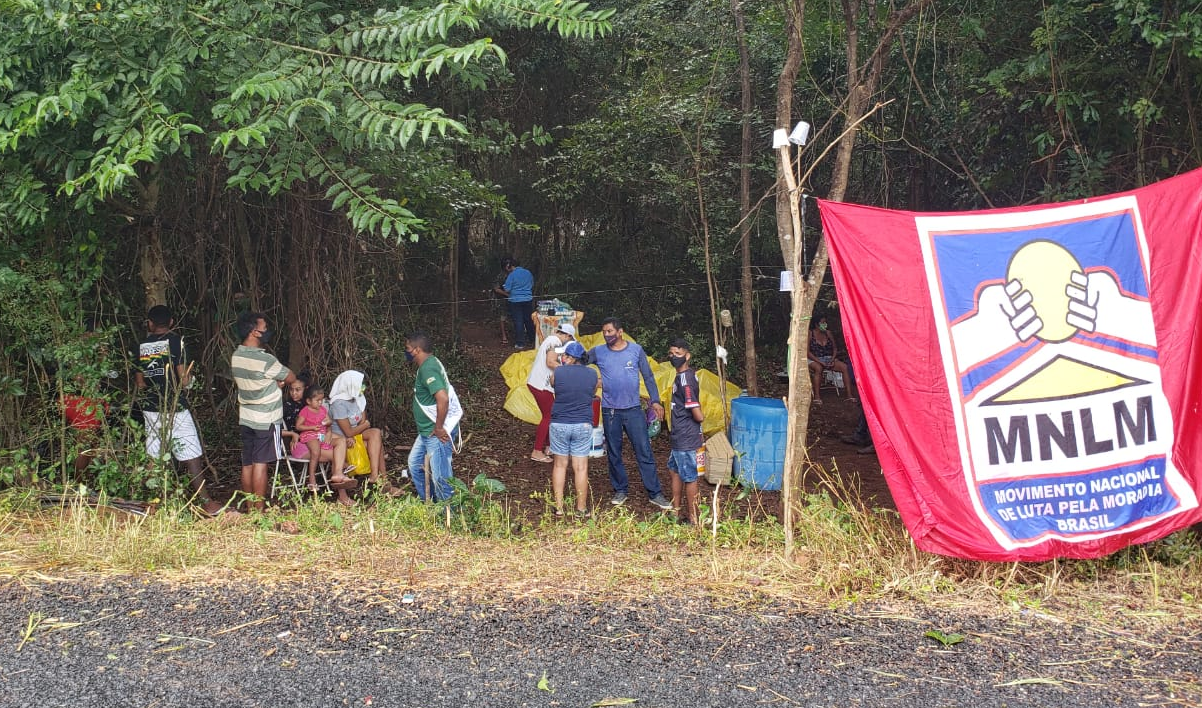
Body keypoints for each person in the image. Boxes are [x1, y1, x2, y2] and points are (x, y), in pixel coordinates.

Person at [135, 305, 222, 516]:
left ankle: (154, 502)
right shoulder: (176, 342)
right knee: (191, 453)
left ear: (150, 323)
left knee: (154, 454)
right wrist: (190, 383)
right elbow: (184, 379)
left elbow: (140, 383)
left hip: (151, 408)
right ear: (172, 322)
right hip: (176, 406)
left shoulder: (141, 345)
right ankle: (206, 502)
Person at [588, 317, 673, 510]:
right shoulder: (599, 351)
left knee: (644, 450)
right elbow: (581, 361)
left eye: (610, 331)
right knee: (614, 452)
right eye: (604, 332)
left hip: (634, 409)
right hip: (610, 411)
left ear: (620, 331)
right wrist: (593, 379)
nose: (606, 335)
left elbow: (649, 376)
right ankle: (620, 490)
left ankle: (655, 493)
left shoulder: (635, 350)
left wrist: (655, 401)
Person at [231, 311, 296, 512]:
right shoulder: (266, 360)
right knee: (261, 463)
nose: (267, 331)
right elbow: (291, 376)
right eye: (264, 328)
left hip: (246, 416)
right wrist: (281, 382)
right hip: (266, 418)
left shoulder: (236, 356)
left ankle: (250, 508)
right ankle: (260, 511)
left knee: (247, 463)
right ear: (254, 332)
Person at [406, 332, 462, 502]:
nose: (406, 352)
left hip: (434, 433)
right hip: (426, 432)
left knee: (441, 478)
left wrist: (438, 428)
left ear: (417, 350)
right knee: (415, 465)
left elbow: (443, 398)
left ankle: (448, 515)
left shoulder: (428, 368)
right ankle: (430, 504)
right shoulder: (427, 365)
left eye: (408, 349)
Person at [548, 341, 597, 517]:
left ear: (571, 357)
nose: (562, 358)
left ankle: (559, 508)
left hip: (560, 422)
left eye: (565, 355)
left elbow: (553, 383)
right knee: (581, 467)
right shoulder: (592, 374)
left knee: (560, 465)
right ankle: (581, 509)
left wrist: (562, 367)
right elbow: (591, 391)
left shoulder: (559, 372)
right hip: (583, 424)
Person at [328, 370, 397, 495]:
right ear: (350, 385)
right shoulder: (338, 404)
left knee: (375, 433)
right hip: (343, 441)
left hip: (356, 436)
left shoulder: (358, 398)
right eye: (361, 385)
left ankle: (375, 475)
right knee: (377, 445)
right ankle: (383, 482)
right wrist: (365, 425)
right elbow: (349, 431)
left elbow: (362, 422)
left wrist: (364, 425)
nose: (363, 388)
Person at [293, 384, 355, 504]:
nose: (320, 403)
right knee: (317, 452)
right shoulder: (305, 411)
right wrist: (312, 427)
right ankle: (313, 478)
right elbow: (298, 426)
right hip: (310, 436)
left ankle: (339, 472)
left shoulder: (322, 409)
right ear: (308, 401)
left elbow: (329, 422)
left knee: (341, 441)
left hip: (321, 436)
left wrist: (329, 426)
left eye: (322, 400)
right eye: (317, 400)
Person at [665, 338, 705, 526]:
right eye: (671, 354)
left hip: (686, 435)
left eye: (678, 354)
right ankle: (676, 511)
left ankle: (693, 518)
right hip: (679, 434)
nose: (673, 357)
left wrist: (700, 419)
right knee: (674, 471)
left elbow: (694, 409)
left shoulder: (686, 379)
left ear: (687, 356)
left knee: (690, 477)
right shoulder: (682, 375)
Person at [526, 322, 577, 463]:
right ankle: (537, 451)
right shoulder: (555, 341)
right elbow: (550, 362)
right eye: (570, 339)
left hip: (540, 384)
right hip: (541, 384)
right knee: (548, 416)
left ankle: (550, 447)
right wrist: (568, 370)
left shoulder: (551, 340)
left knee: (551, 415)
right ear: (567, 335)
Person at [808, 315, 858, 405]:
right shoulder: (810, 334)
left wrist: (832, 359)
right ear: (816, 324)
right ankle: (817, 396)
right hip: (814, 359)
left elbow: (834, 348)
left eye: (825, 322)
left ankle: (849, 395)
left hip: (828, 358)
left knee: (844, 367)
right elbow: (807, 352)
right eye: (822, 323)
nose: (825, 324)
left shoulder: (828, 333)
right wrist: (820, 362)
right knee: (818, 368)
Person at [493, 257, 536, 349]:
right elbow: (532, 284)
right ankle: (533, 339)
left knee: (518, 321)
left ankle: (520, 343)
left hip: (515, 301)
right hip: (528, 299)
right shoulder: (528, 272)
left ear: (509, 266)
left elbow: (507, 289)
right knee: (529, 320)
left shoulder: (511, 275)